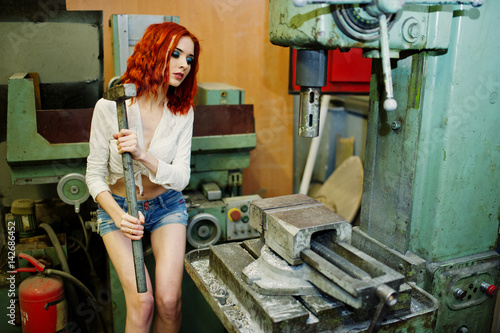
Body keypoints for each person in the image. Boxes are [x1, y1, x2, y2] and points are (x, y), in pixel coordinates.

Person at [85, 22, 200, 333]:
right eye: (175, 54)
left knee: (168, 301)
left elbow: (181, 177)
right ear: (153, 51)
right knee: (142, 302)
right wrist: (118, 215)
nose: (183, 65)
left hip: (167, 206)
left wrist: (143, 155)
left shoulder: (182, 112)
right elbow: (94, 176)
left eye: (189, 59)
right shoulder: (110, 106)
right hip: (119, 209)